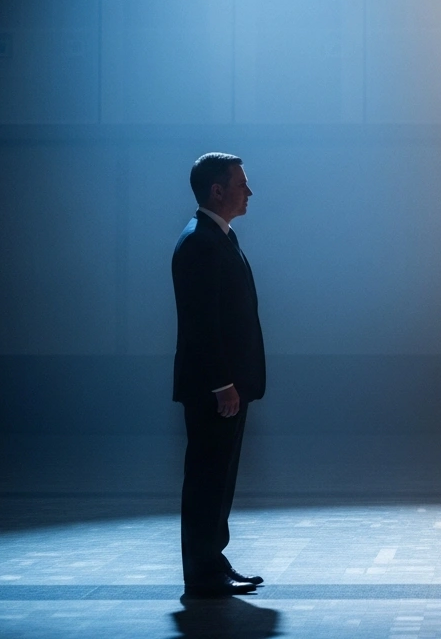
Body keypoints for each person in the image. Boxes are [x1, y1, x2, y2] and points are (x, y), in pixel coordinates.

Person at [172, 152, 267, 597]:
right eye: (242, 184)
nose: (249, 192)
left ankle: (212, 561)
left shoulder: (217, 237)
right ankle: (205, 571)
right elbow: (201, 323)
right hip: (216, 389)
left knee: (218, 477)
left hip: (226, 386)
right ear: (217, 190)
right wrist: (222, 383)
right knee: (209, 478)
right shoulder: (200, 243)